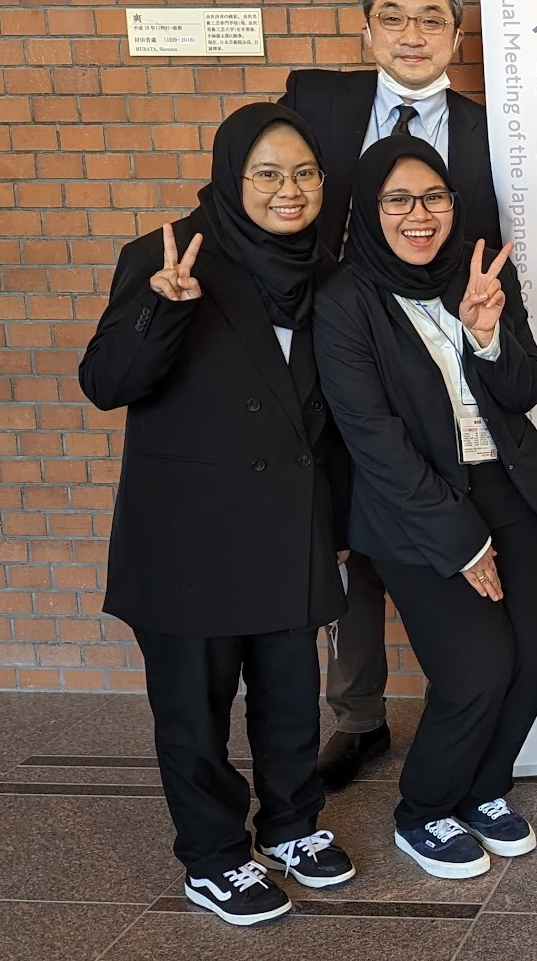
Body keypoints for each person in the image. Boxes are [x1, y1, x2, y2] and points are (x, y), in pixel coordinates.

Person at [79, 103, 356, 926]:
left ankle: (292, 826)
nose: (288, 190)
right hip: (189, 537)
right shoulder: (169, 254)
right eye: (266, 173)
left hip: (288, 528)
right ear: (232, 178)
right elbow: (106, 383)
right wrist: (163, 306)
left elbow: (334, 418)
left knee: (290, 697)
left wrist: (337, 528)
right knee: (194, 713)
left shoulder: (325, 271)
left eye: (304, 173)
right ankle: (213, 858)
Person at [280, 0, 505, 790]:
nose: (413, 35)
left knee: (427, 505)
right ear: (367, 30)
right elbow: (268, 197)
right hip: (328, 346)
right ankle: (359, 716)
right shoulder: (318, 103)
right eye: (394, 18)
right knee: (344, 529)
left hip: (438, 356)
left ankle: (467, 696)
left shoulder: (493, 129)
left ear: (457, 35)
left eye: (432, 20)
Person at [312, 136, 537, 879]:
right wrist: (461, 539)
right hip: (412, 509)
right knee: (477, 669)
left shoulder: (476, 276)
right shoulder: (346, 301)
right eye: (398, 199)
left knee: (531, 664)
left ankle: (483, 790)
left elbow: (524, 390)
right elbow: (373, 437)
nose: (419, 215)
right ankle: (423, 810)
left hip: (509, 488)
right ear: (370, 209)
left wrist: (487, 337)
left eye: (433, 198)